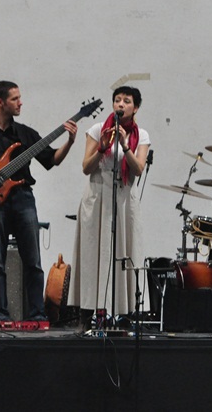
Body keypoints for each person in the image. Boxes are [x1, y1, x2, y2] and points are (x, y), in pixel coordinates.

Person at [0, 81, 77, 321]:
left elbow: (52, 159)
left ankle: (37, 315)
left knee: (33, 261)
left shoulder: (25, 134)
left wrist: (70, 142)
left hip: (23, 199)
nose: (21, 103)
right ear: (0, 102)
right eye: (15, 99)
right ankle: (0, 315)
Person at [72, 86, 150, 329]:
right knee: (92, 254)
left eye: (127, 101)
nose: (121, 104)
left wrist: (125, 145)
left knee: (123, 253)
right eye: (117, 100)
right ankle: (86, 314)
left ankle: (123, 314)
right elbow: (86, 167)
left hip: (123, 199)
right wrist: (103, 147)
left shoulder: (141, 136)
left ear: (135, 108)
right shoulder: (98, 130)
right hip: (97, 196)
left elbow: (138, 169)